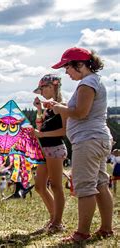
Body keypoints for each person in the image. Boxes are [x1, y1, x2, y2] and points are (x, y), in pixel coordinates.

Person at [50, 47, 114, 242]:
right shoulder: (94, 80)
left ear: (79, 65)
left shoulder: (87, 83)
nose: (66, 72)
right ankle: (105, 228)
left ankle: (82, 233)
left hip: (88, 141)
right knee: (101, 184)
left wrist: (61, 108)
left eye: (67, 67)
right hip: (97, 139)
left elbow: (81, 112)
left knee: (85, 187)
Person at [32, 74, 67, 233]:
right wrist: (39, 110)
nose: (41, 92)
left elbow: (64, 131)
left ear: (52, 87)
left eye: (43, 88)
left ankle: (57, 222)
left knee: (56, 186)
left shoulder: (63, 106)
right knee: (39, 186)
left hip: (55, 148)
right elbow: (39, 125)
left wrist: (42, 135)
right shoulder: (48, 107)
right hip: (45, 149)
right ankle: (54, 219)